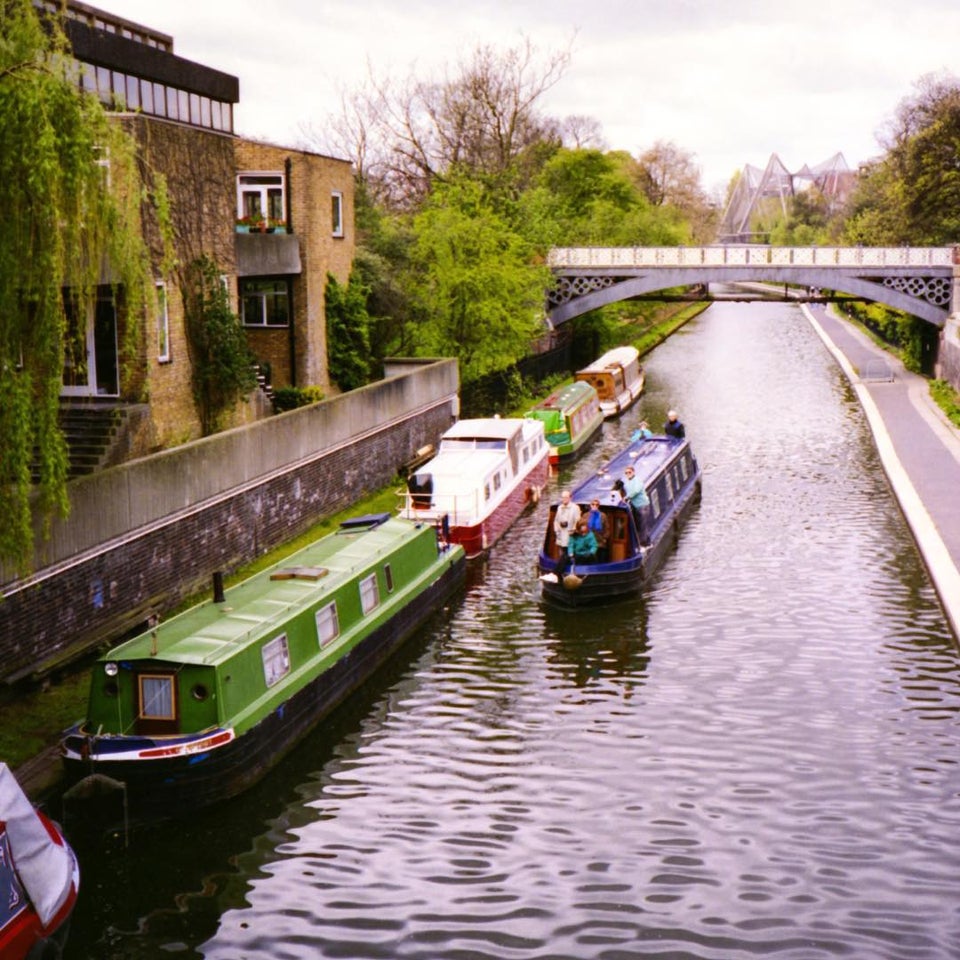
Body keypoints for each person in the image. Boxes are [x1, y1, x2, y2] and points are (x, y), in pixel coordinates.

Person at [621, 465, 651, 545]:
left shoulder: (637, 480)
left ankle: (644, 544)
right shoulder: (627, 483)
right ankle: (646, 542)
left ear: (633, 472)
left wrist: (627, 497)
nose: (628, 474)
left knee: (642, 525)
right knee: (639, 525)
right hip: (635, 506)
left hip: (643, 506)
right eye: (626, 473)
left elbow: (636, 491)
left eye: (629, 472)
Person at [553, 489, 581, 564]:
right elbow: (556, 520)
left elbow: (577, 521)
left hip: (570, 534)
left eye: (566, 497)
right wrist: (556, 530)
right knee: (563, 551)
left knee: (568, 553)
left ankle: (563, 570)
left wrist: (573, 530)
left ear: (570, 498)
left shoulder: (575, 507)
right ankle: (561, 569)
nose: (564, 499)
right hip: (561, 534)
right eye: (563, 497)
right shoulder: (559, 507)